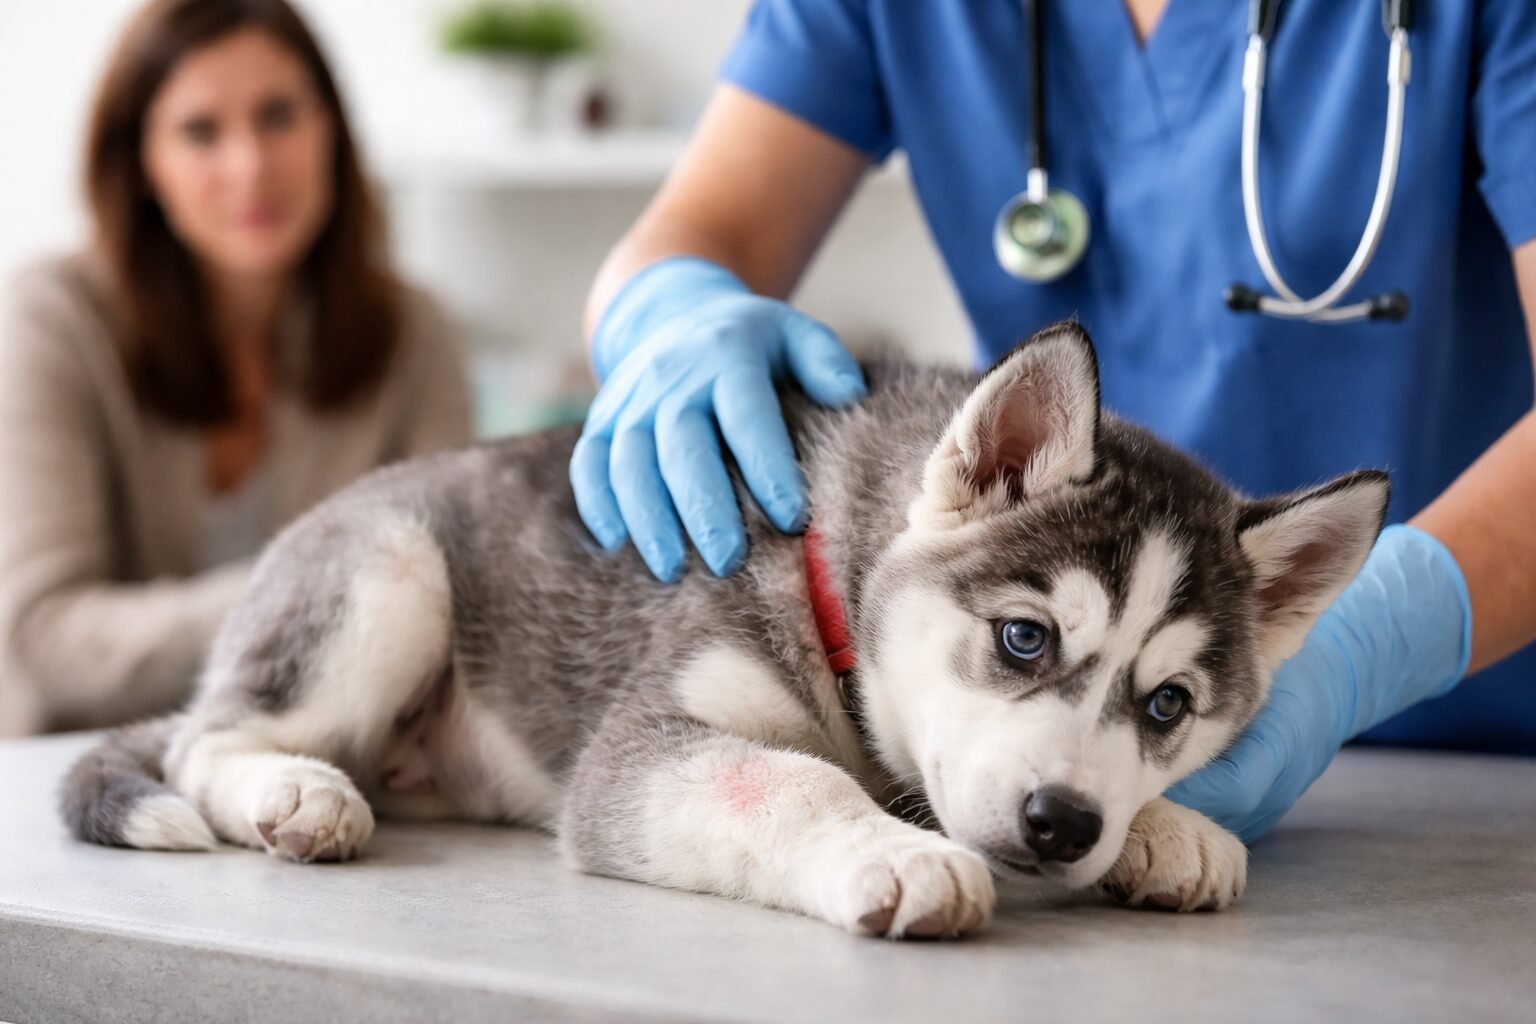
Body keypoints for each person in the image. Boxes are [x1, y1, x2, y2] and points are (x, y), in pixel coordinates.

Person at [571, 0, 1536, 841]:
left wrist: (1380, 633)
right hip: (1035, 721)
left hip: (1487, 762)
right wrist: (669, 308)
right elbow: (703, 230)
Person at [0, 0, 472, 737]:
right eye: (200, 131)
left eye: (279, 115)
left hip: (318, 764)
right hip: (78, 773)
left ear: (331, 132)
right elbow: (43, 635)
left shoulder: (416, 335)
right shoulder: (55, 318)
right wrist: (315, 591)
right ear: (143, 164)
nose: (250, 165)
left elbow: (457, 599)